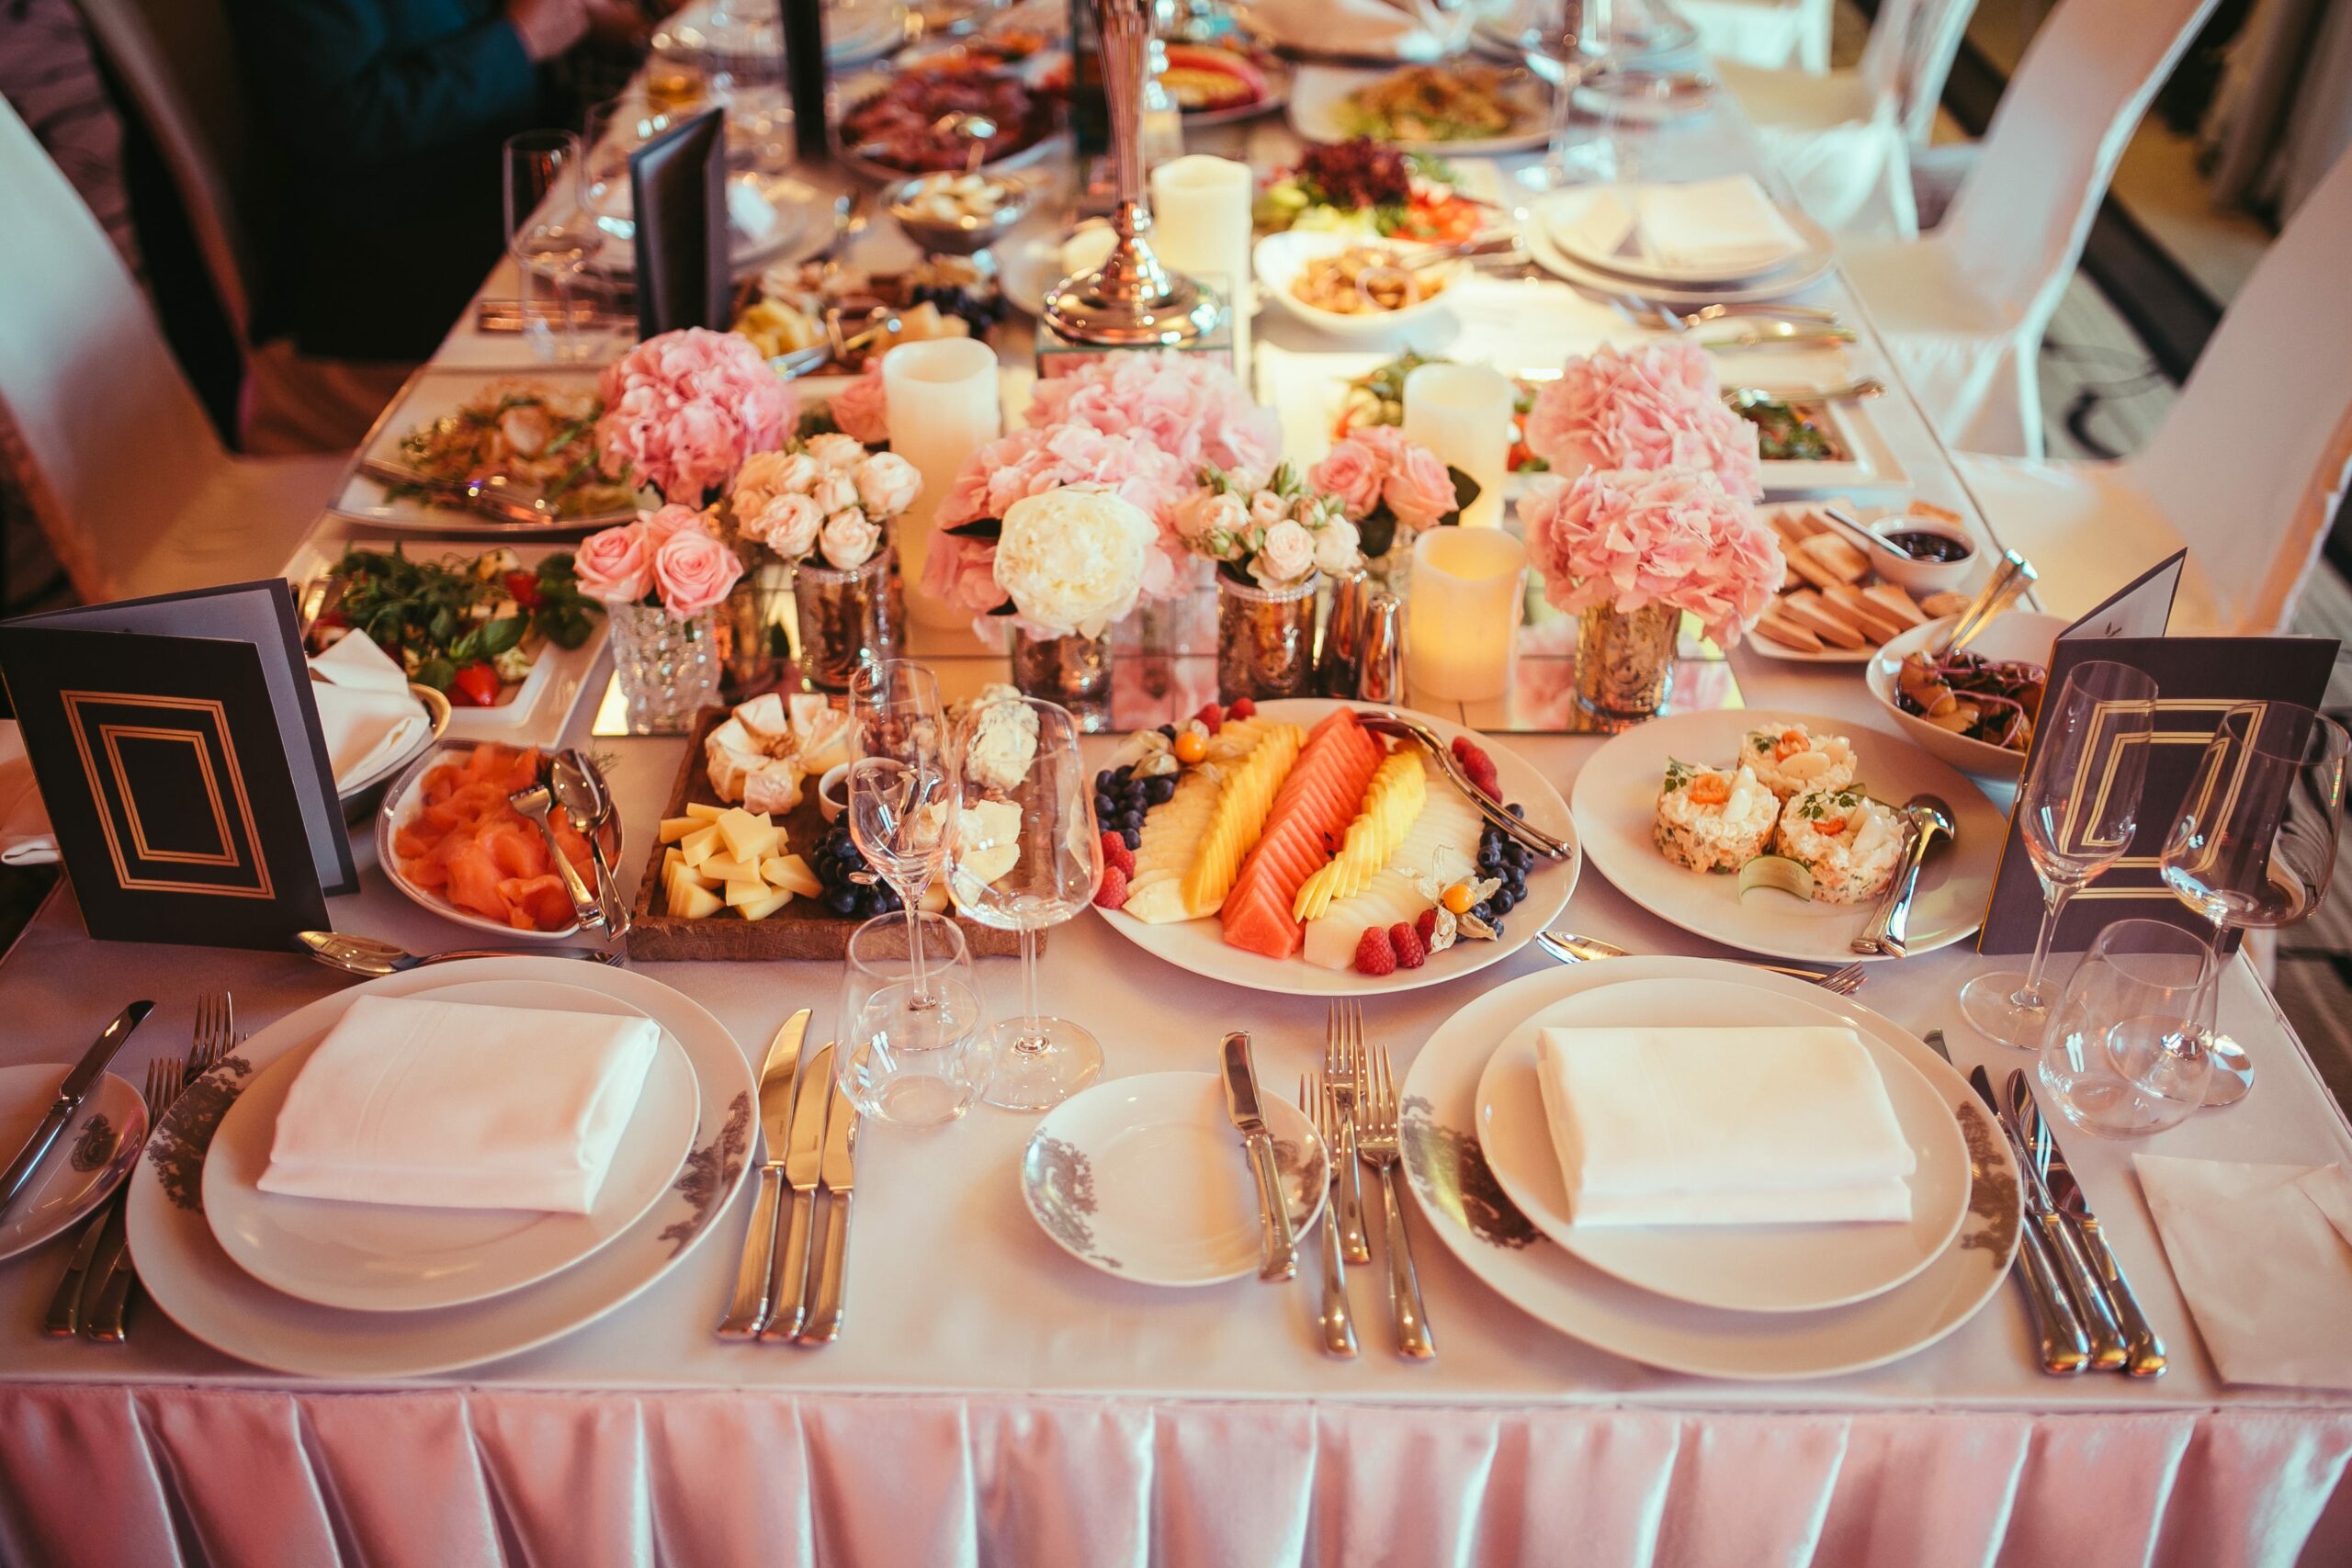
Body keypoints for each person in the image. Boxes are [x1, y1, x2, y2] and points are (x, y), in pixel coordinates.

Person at [228, 0, 645, 367]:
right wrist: (518, 42)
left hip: (518, 205)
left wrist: (588, 20)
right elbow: (342, 124)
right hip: (399, 269)